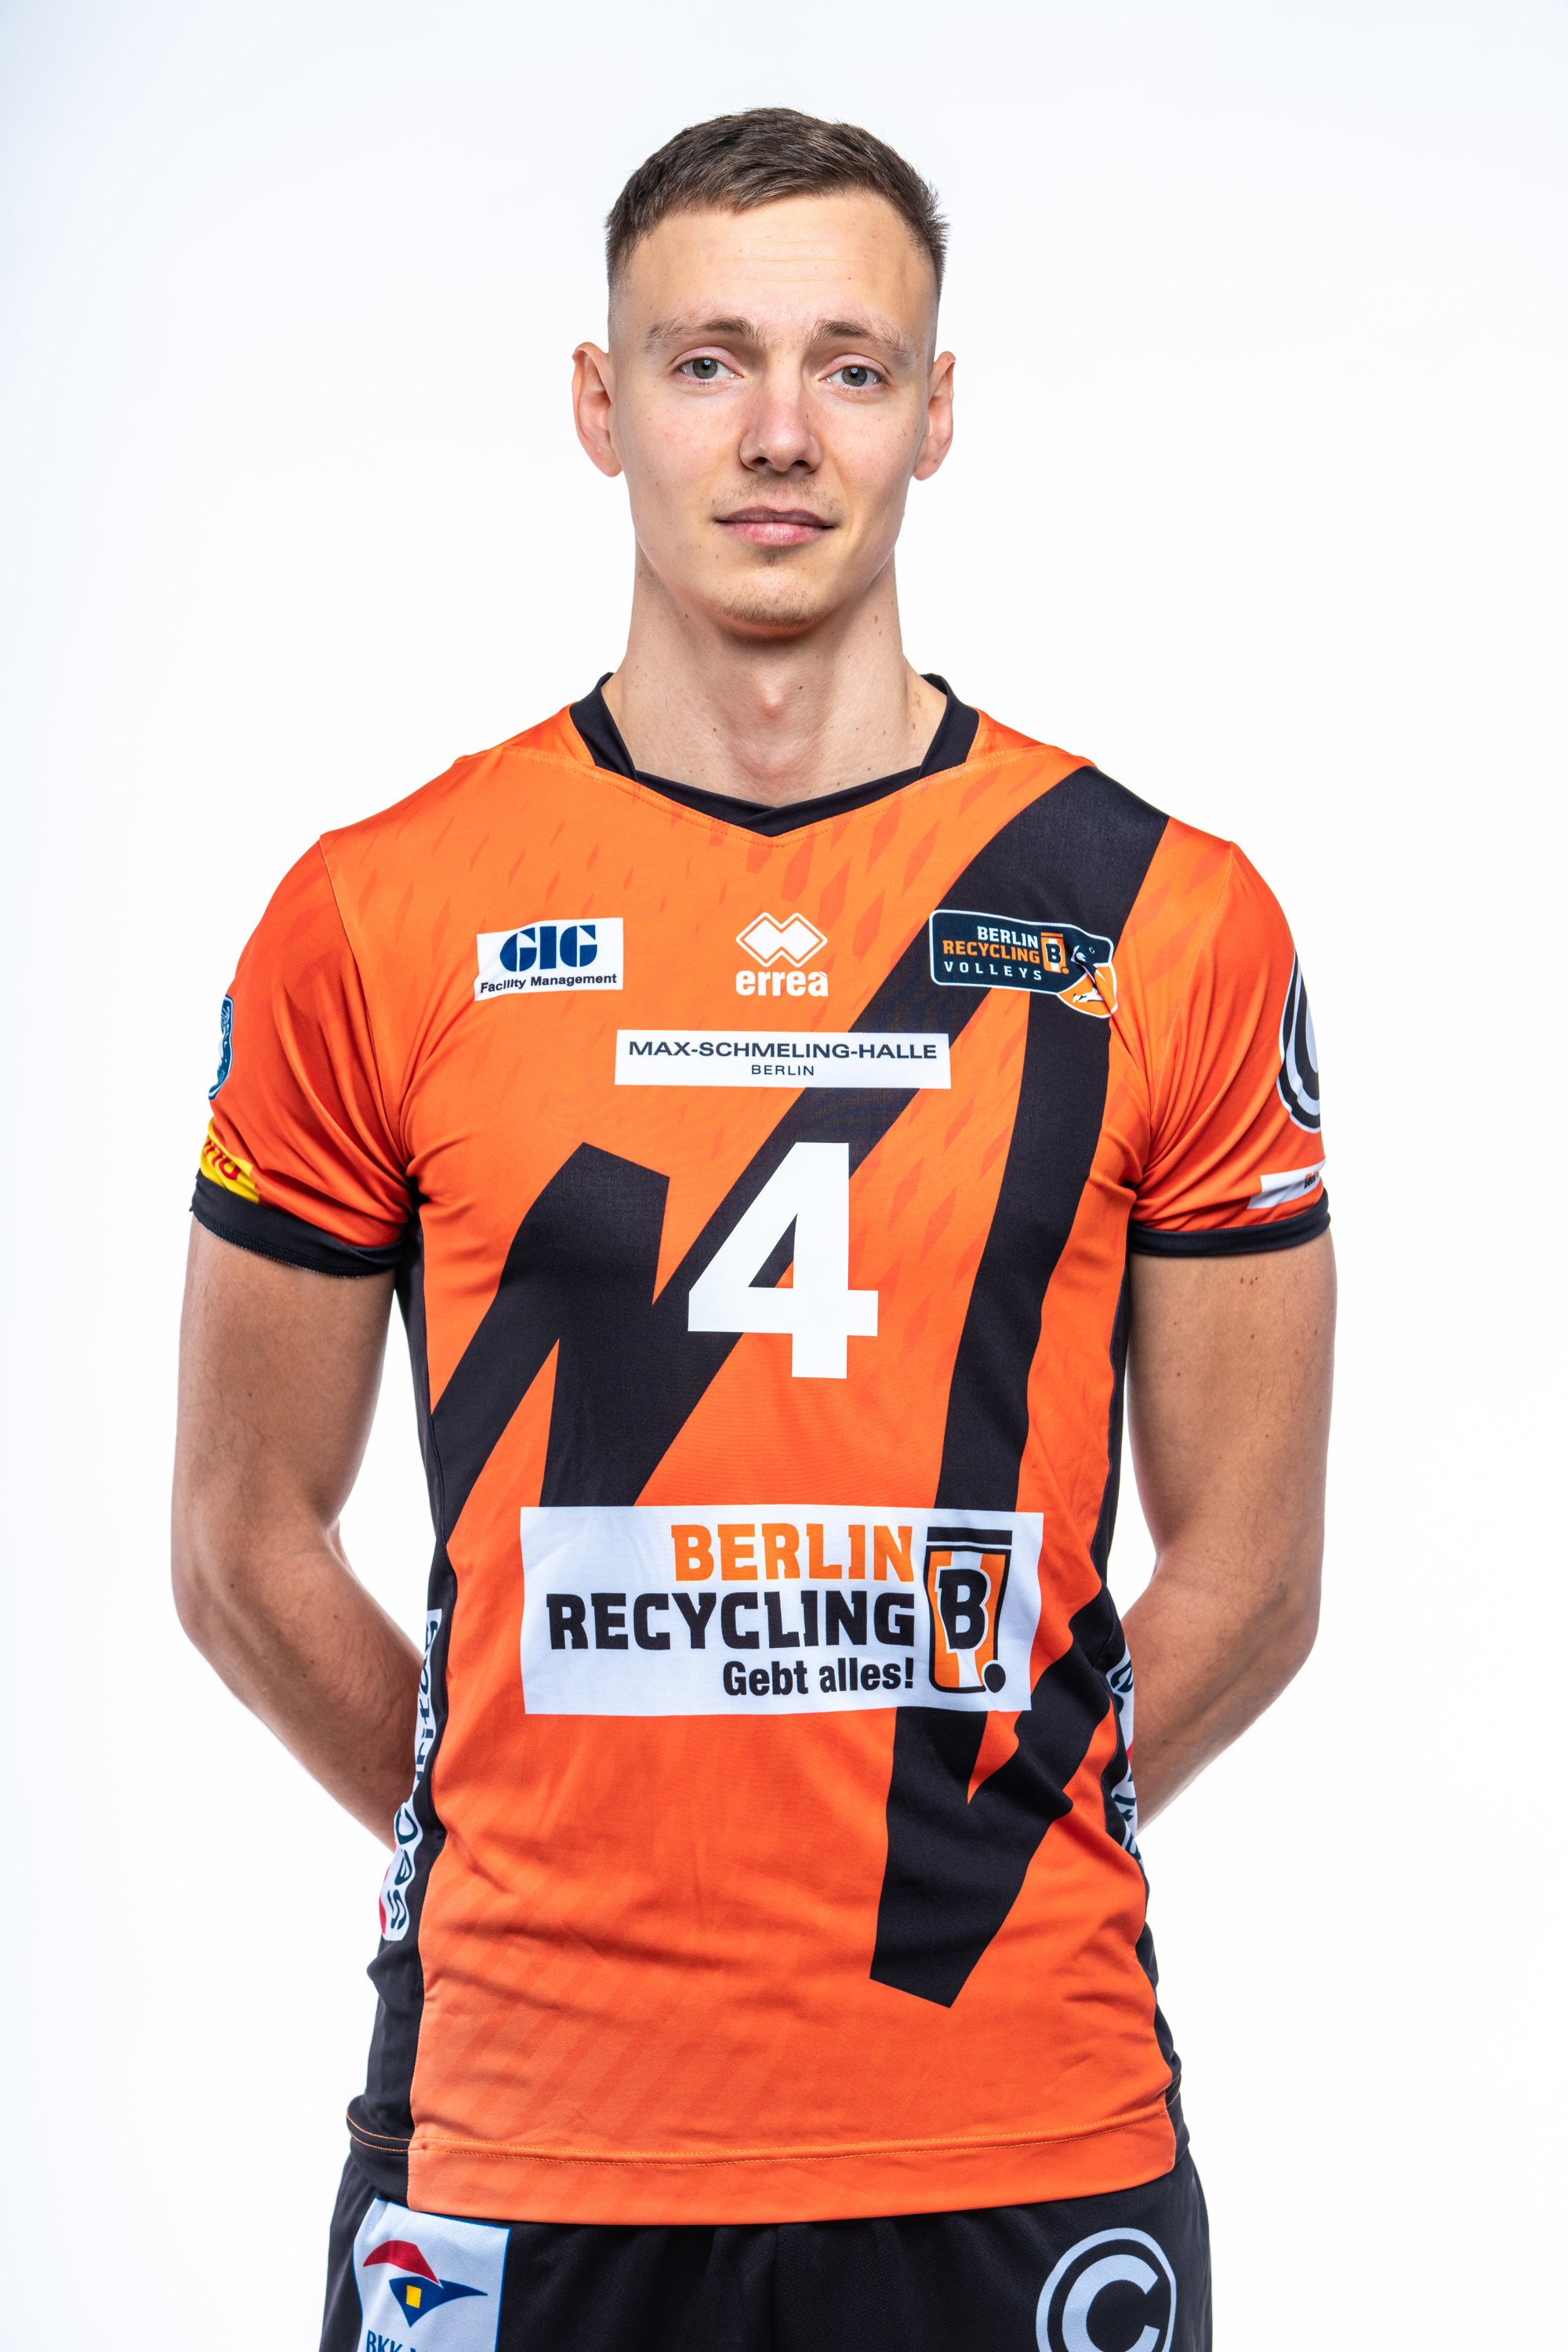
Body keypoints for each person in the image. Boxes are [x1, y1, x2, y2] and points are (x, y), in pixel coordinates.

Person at [172, 107, 1334, 2352]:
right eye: (706, 362)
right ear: (599, 404)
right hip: (519, 2144)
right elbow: (237, 1545)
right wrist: (525, 1822)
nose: (780, 433)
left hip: (1021, 2134)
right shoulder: (377, 916)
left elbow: (1258, 1573)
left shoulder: (1167, 918)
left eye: (849, 366)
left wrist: (980, 1838)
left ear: (937, 410)